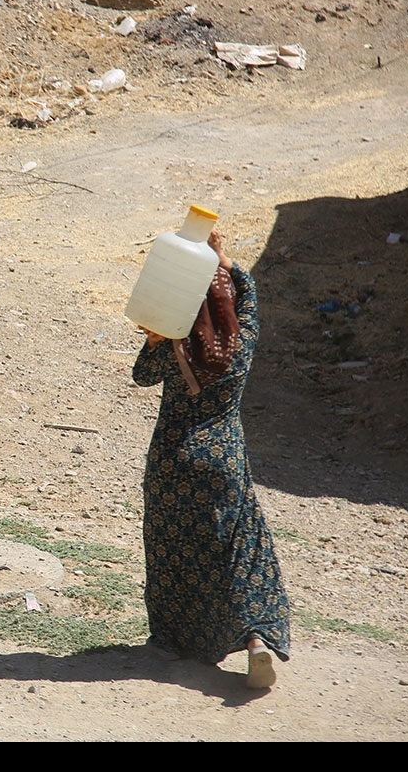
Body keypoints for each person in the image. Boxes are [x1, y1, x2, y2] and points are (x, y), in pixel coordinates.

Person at [133, 229, 290, 689]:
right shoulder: (241, 344)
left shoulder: (177, 345)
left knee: (173, 550)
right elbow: (249, 296)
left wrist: (158, 338)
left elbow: (141, 376)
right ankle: (256, 640)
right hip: (224, 462)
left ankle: (172, 640)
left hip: (171, 462)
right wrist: (224, 262)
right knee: (240, 550)